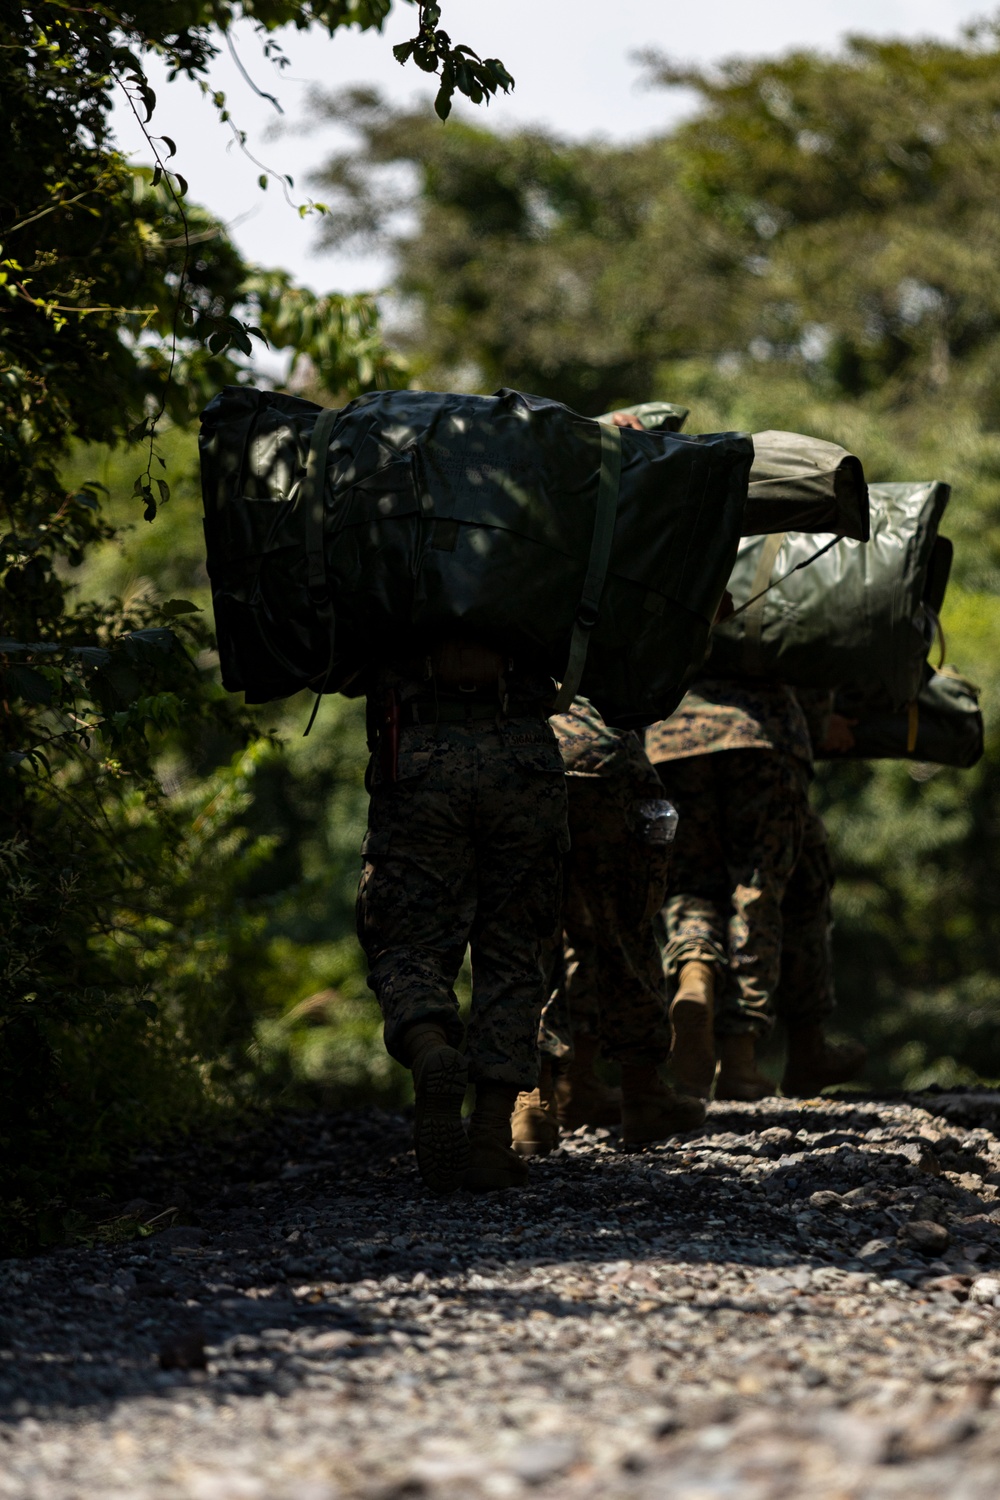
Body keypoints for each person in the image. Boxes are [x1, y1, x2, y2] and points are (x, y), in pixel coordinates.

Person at [355, 638, 569, 1194]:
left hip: (419, 748)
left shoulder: (400, 549)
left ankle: (429, 1047)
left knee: (405, 936)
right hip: (524, 751)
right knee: (516, 945)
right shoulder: (542, 550)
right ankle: (491, 1139)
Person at [647, 677, 865, 1101]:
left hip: (671, 738)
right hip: (763, 732)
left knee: (689, 883)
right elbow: (808, 654)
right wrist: (819, 724)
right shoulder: (761, 605)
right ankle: (740, 1058)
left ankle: (694, 974)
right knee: (756, 890)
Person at [511, 695, 706, 1155]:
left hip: (519, 757)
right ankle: (643, 1094)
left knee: (526, 934)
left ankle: (531, 1102)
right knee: (624, 929)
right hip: (604, 756)